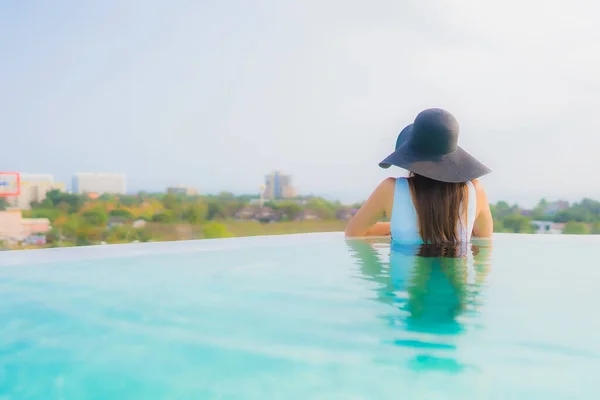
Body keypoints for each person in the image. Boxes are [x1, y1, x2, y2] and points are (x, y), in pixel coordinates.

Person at [345, 108, 493, 243]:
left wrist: (404, 227)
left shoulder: (390, 189)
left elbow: (353, 233)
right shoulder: (475, 191)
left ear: (409, 154)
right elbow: (484, 238)